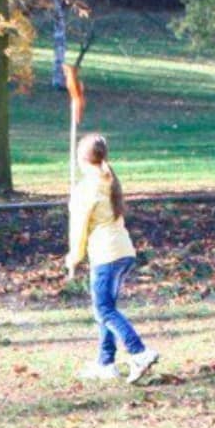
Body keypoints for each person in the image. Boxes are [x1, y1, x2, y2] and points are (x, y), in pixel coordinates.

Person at [65, 133, 158, 383]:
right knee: (107, 309)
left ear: (81, 158)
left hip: (106, 254)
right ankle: (105, 363)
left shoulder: (87, 187)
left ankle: (139, 352)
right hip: (122, 251)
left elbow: (79, 228)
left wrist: (74, 257)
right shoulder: (107, 178)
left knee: (104, 309)